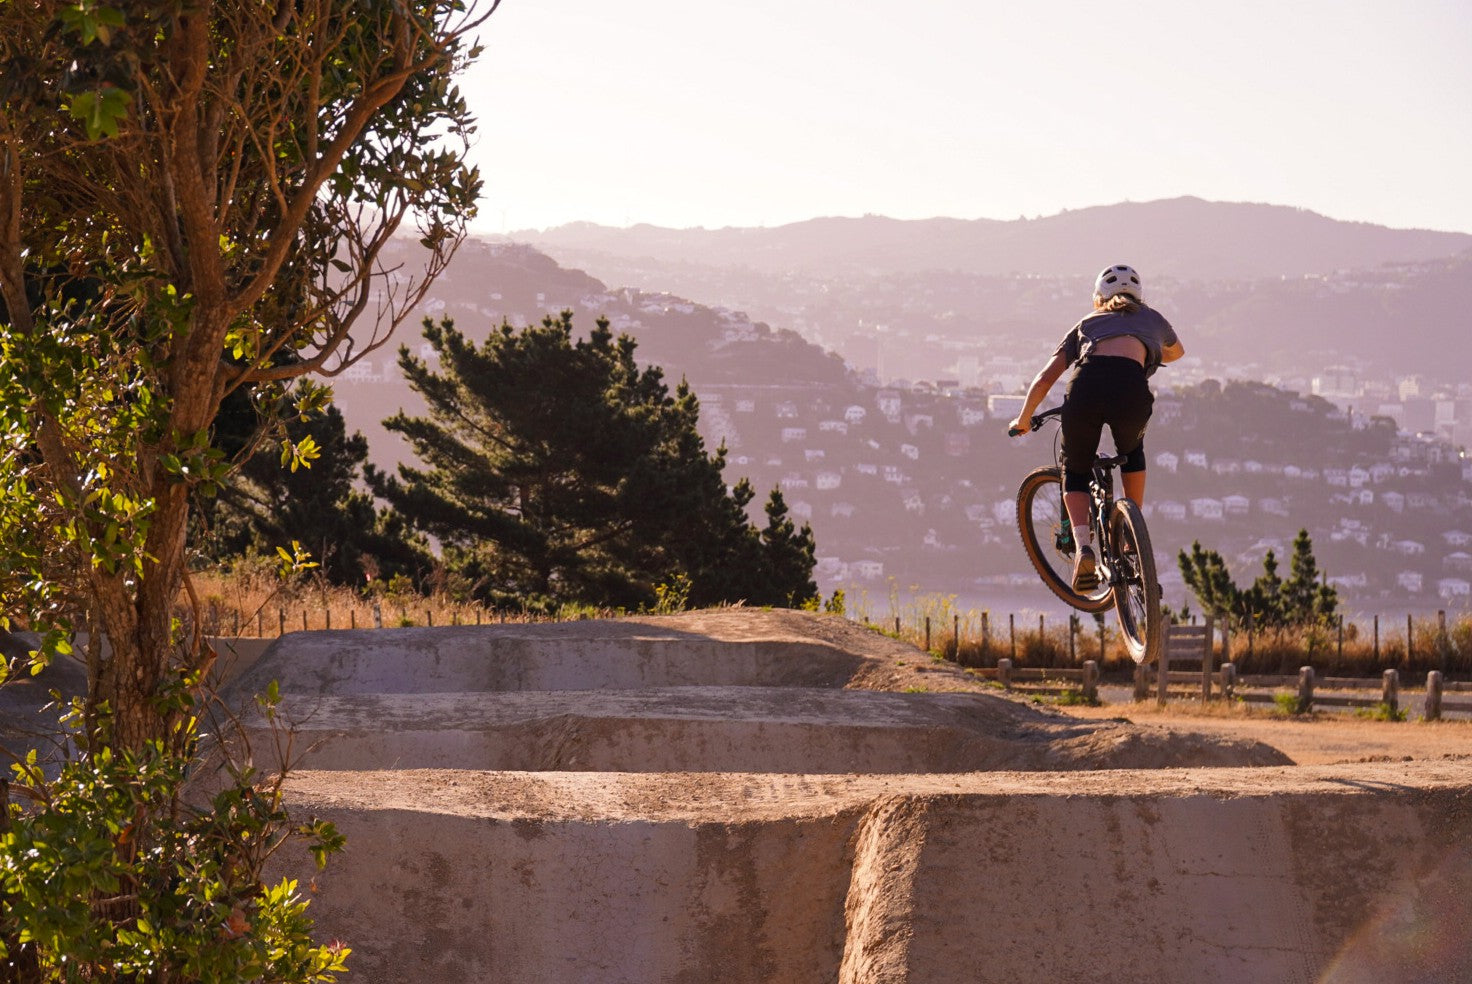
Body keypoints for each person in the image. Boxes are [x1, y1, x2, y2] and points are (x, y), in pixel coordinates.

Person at [1007, 264, 1184, 591]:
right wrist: (1151, 347)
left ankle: (1084, 546)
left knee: (1075, 469)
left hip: (1086, 387)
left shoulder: (1087, 323)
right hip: (1132, 390)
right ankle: (1133, 539)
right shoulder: (1152, 318)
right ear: (1139, 296)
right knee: (1132, 453)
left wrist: (1023, 418)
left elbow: (1045, 378)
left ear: (1098, 299)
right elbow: (1177, 352)